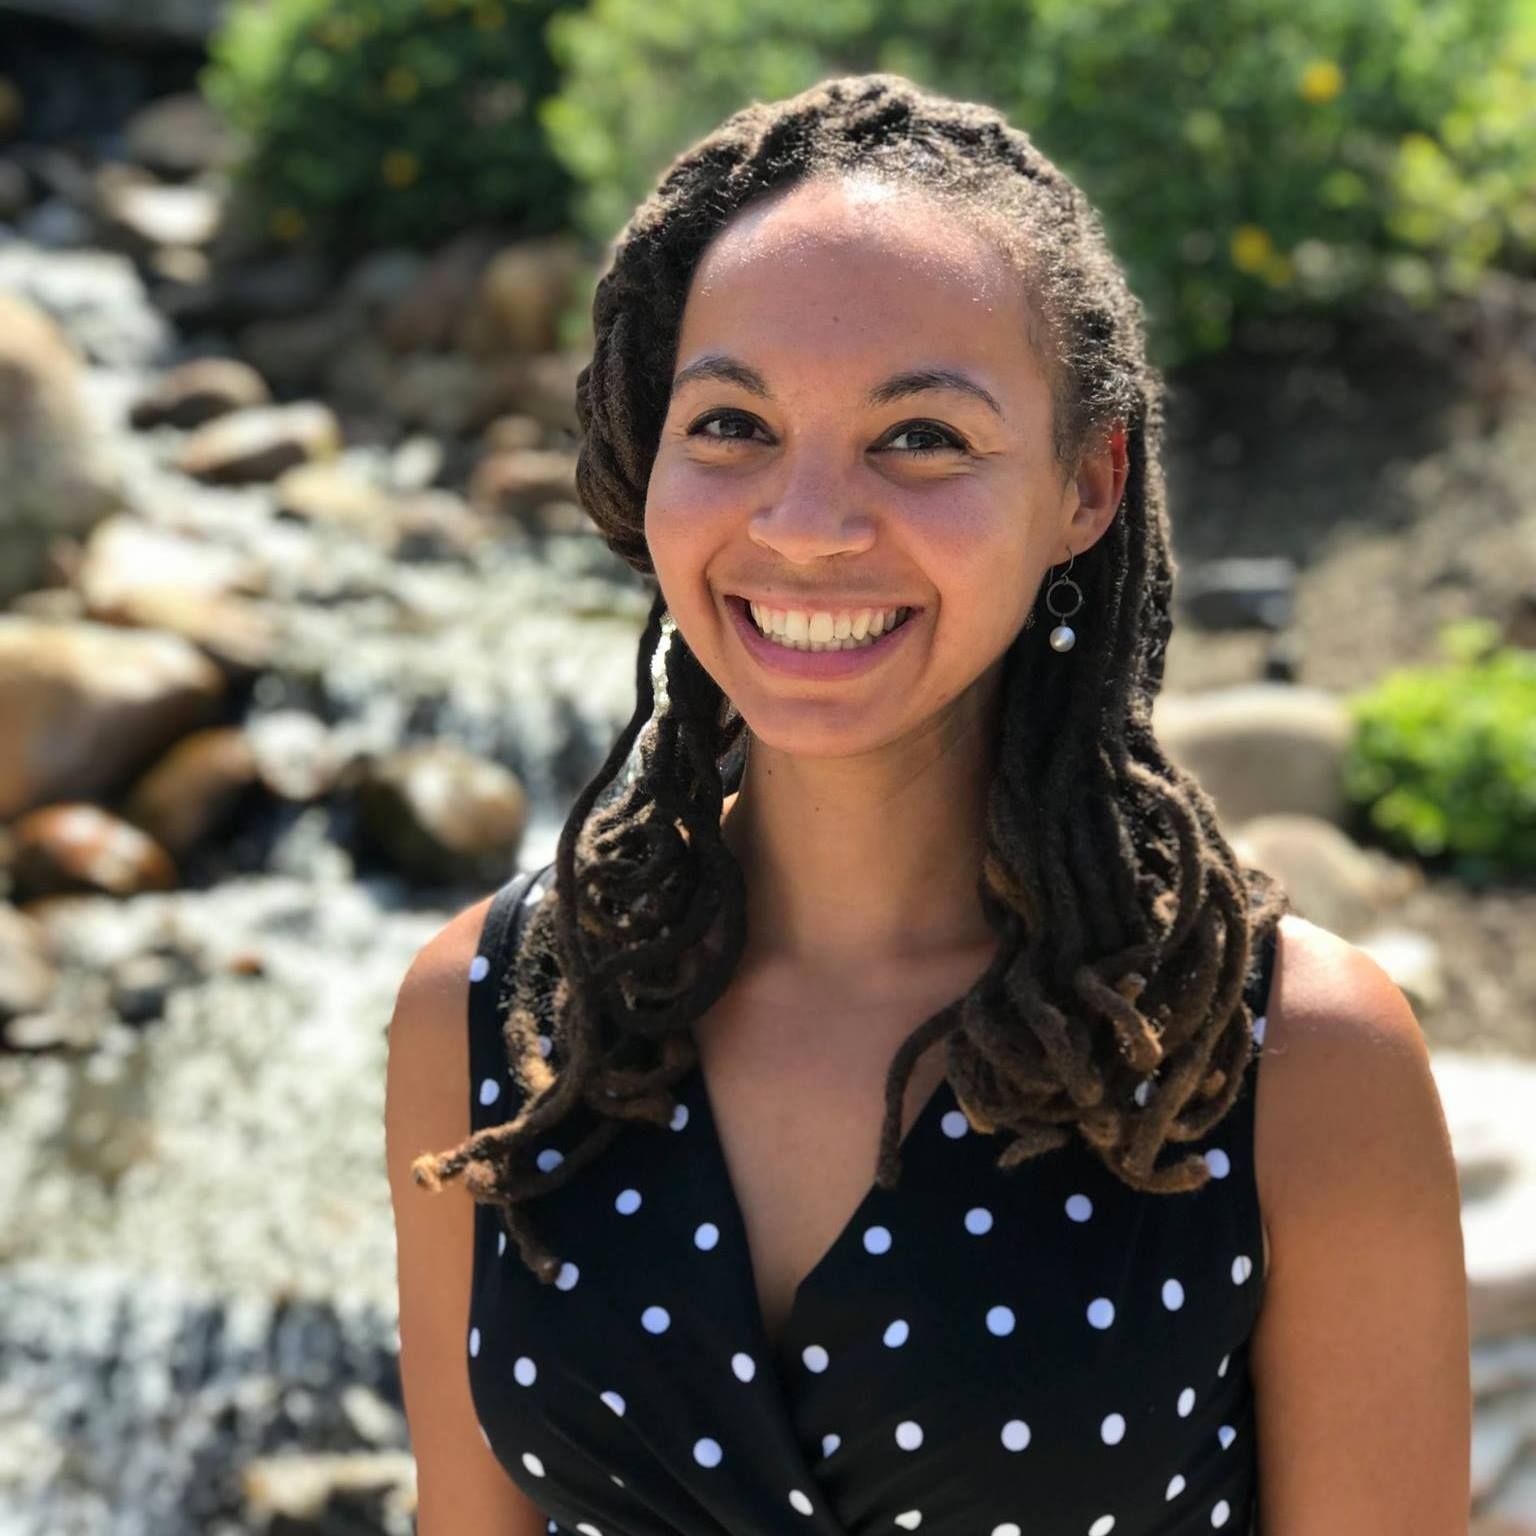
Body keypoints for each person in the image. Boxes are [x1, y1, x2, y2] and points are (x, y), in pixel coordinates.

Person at [385, 72, 1470, 1536]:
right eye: (730, 425)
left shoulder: (1293, 1060)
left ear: (1089, 486)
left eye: (922, 439)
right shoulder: (490, 1016)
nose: (807, 525)